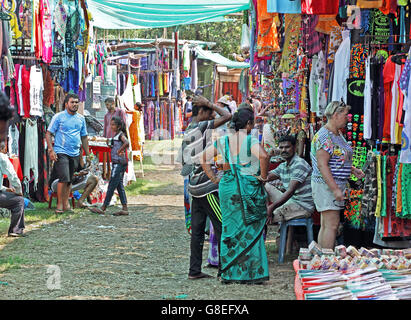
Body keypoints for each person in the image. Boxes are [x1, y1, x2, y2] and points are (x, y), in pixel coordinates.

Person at [201, 107, 270, 284]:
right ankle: (250, 274)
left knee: (229, 228)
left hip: (227, 186)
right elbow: (264, 156)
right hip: (246, 187)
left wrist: (214, 177)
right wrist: (263, 177)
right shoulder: (249, 140)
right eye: (252, 123)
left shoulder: (223, 141)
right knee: (249, 227)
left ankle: (229, 273)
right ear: (248, 124)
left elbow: (204, 158)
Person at [180, 95, 231, 280]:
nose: (212, 118)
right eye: (209, 114)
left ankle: (194, 270)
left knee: (198, 231)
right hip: (206, 188)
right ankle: (225, 270)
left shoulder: (188, 128)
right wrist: (210, 104)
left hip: (194, 187)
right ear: (201, 112)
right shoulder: (201, 127)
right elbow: (227, 116)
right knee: (221, 226)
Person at [311, 101, 364, 249]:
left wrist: (352, 169)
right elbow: (323, 165)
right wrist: (335, 189)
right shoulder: (324, 137)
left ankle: (322, 259)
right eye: (345, 115)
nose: (348, 118)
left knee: (327, 224)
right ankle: (327, 261)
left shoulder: (336, 134)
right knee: (332, 225)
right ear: (335, 115)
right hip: (327, 185)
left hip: (332, 184)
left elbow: (337, 157)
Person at [46, 93, 91, 214]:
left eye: (77, 102)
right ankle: (59, 205)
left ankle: (66, 204)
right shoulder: (59, 117)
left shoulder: (81, 119)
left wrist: (87, 154)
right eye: (72, 102)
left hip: (75, 152)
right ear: (66, 104)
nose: (75, 104)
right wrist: (51, 150)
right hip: (61, 152)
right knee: (64, 178)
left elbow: (84, 137)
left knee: (70, 180)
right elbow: (48, 133)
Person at [264, 135, 314, 224]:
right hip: (291, 201)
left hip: (302, 206)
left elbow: (290, 191)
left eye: (287, 147)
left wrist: (271, 207)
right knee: (265, 185)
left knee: (263, 218)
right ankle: (266, 211)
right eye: (281, 147)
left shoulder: (299, 163)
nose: (283, 150)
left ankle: (268, 215)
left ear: (294, 148)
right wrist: (268, 157)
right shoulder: (283, 165)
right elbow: (265, 177)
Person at [90, 116, 130, 216]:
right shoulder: (117, 135)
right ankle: (124, 208)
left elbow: (126, 143)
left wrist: (119, 150)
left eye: (113, 125)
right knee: (119, 185)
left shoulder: (121, 135)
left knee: (112, 185)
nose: (111, 126)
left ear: (119, 126)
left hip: (119, 163)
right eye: (110, 124)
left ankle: (104, 207)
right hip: (119, 162)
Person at [0, 141, 25, 237]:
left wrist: (5, 189)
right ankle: (15, 230)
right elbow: (13, 176)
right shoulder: (2, 157)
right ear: (4, 149)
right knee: (19, 201)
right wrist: (19, 191)